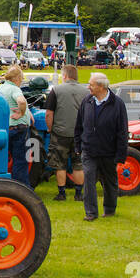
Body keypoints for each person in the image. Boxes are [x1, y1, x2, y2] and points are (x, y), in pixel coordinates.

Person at [74, 73, 128, 220]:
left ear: (101, 86)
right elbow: (79, 125)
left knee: (110, 182)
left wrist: (120, 156)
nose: (88, 87)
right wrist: (78, 146)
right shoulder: (87, 102)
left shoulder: (117, 104)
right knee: (89, 181)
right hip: (89, 151)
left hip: (109, 152)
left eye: (91, 85)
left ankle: (110, 209)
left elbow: (122, 131)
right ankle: (91, 213)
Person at [44, 64, 89, 201]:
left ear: (64, 76)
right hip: (80, 134)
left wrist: (50, 128)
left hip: (60, 133)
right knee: (78, 164)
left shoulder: (56, 90)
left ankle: (62, 193)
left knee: (60, 165)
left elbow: (49, 114)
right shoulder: (86, 92)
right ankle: (78, 194)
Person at [0, 64, 31, 187]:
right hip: (18, 129)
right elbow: (21, 101)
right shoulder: (14, 89)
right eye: (21, 79)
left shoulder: (2, 88)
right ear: (17, 79)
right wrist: (22, 113)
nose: (21, 82)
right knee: (21, 161)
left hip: (6, 128)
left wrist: (27, 112)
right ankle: (22, 187)